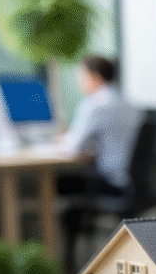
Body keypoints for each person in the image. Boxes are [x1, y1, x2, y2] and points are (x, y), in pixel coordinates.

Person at [58, 55, 142, 196]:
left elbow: (73, 148)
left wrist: (64, 140)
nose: (80, 83)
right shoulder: (129, 105)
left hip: (111, 181)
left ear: (95, 77)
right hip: (134, 182)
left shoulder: (95, 105)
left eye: (81, 77)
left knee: (60, 183)